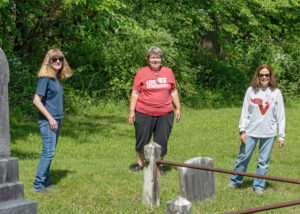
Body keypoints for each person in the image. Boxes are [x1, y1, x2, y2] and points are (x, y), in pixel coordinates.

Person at [228, 64, 285, 194]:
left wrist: (281, 136)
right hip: (251, 131)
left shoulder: (276, 93)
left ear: (271, 77)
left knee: (263, 161)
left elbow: (281, 116)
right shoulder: (251, 91)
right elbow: (245, 112)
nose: (264, 77)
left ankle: (259, 186)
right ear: (257, 76)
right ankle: (235, 181)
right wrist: (242, 130)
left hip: (269, 133)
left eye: (267, 75)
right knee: (243, 157)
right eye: (261, 75)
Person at [128, 46, 181, 175]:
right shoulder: (141, 73)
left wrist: (178, 108)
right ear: (148, 59)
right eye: (153, 58)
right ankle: (140, 164)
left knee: (162, 141)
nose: (155, 60)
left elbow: (173, 91)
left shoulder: (168, 72)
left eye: (158, 58)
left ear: (161, 59)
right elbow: (135, 93)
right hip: (143, 112)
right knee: (142, 139)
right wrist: (131, 111)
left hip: (165, 113)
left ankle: (158, 165)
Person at [32, 49, 72, 192]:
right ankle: (37, 185)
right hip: (48, 121)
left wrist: (59, 121)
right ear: (48, 61)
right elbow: (36, 100)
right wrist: (50, 119)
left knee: (51, 151)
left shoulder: (56, 79)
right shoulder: (45, 78)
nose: (57, 62)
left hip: (56, 121)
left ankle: (46, 180)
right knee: (48, 152)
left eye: (60, 59)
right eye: (54, 59)